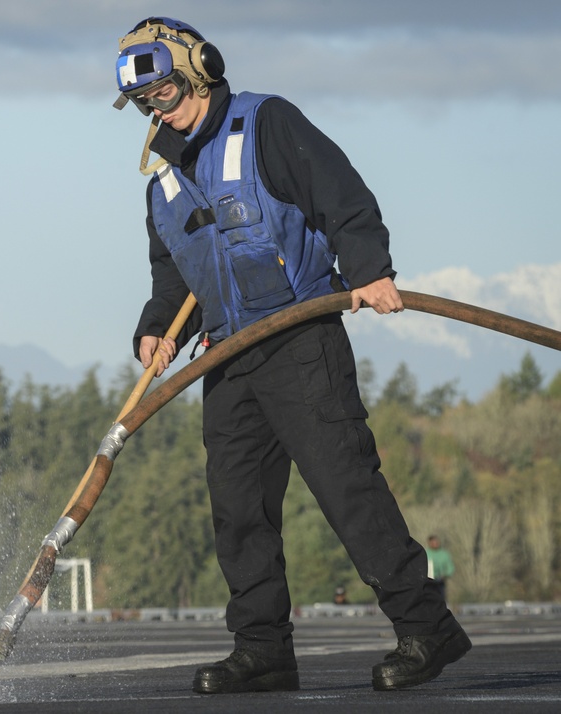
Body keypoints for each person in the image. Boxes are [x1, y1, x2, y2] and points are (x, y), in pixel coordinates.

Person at [112, 17, 471, 693]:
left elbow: (341, 195)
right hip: (226, 356)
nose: (156, 109)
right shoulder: (160, 182)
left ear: (200, 68)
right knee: (238, 509)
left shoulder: (266, 124)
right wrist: (157, 328)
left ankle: (428, 627)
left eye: (163, 92)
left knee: (347, 490)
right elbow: (173, 278)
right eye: (143, 102)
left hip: (302, 341)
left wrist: (367, 267)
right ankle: (263, 650)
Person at [426, 535, 456, 602]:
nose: (435, 544)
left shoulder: (444, 554)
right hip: (428, 581)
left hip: (440, 581)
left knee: (440, 599)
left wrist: (445, 574)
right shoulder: (426, 553)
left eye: (436, 542)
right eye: (433, 542)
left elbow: (450, 567)